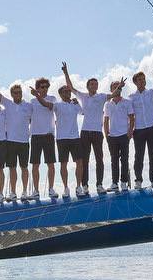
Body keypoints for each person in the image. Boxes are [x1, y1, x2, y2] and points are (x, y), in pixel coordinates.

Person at [63, 62, 108, 194]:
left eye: (96, 84)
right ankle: (85, 185)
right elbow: (70, 87)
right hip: (85, 132)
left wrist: (119, 88)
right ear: (88, 86)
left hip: (97, 133)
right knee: (84, 160)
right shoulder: (83, 96)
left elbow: (112, 95)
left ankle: (99, 185)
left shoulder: (102, 96)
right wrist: (66, 73)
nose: (94, 86)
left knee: (99, 159)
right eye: (92, 84)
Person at [129, 58, 153, 192]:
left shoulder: (151, 93)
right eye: (140, 80)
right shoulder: (131, 97)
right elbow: (126, 113)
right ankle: (138, 180)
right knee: (139, 156)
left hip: (152, 127)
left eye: (144, 79)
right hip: (139, 130)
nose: (143, 81)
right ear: (135, 82)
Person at [0, 71, 33, 199]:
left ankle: (24, 191)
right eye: (16, 93)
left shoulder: (28, 106)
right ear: (12, 94)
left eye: (20, 92)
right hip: (10, 141)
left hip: (24, 141)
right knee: (12, 168)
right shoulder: (8, 104)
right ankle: (13, 192)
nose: (18, 94)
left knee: (24, 167)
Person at [51, 81, 83, 197]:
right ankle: (65, 188)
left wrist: (77, 103)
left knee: (79, 162)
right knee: (63, 163)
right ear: (60, 94)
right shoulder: (57, 105)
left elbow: (82, 112)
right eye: (65, 91)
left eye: (69, 91)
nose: (68, 93)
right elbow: (46, 105)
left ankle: (78, 187)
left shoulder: (75, 105)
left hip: (75, 137)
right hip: (62, 138)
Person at [103, 78, 135, 190]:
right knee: (114, 160)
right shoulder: (108, 104)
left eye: (118, 87)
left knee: (124, 159)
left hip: (124, 135)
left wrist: (130, 131)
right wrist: (106, 135)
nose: (117, 89)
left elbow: (132, 117)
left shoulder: (127, 102)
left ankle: (124, 182)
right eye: (115, 87)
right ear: (111, 90)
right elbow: (106, 120)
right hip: (112, 136)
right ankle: (114, 183)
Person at [28, 77, 57, 198]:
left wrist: (37, 95)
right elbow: (29, 118)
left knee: (51, 163)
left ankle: (51, 189)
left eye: (46, 87)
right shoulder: (32, 102)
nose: (45, 89)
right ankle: (36, 190)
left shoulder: (52, 99)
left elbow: (47, 105)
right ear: (37, 88)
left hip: (48, 136)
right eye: (42, 87)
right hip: (36, 136)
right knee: (35, 164)